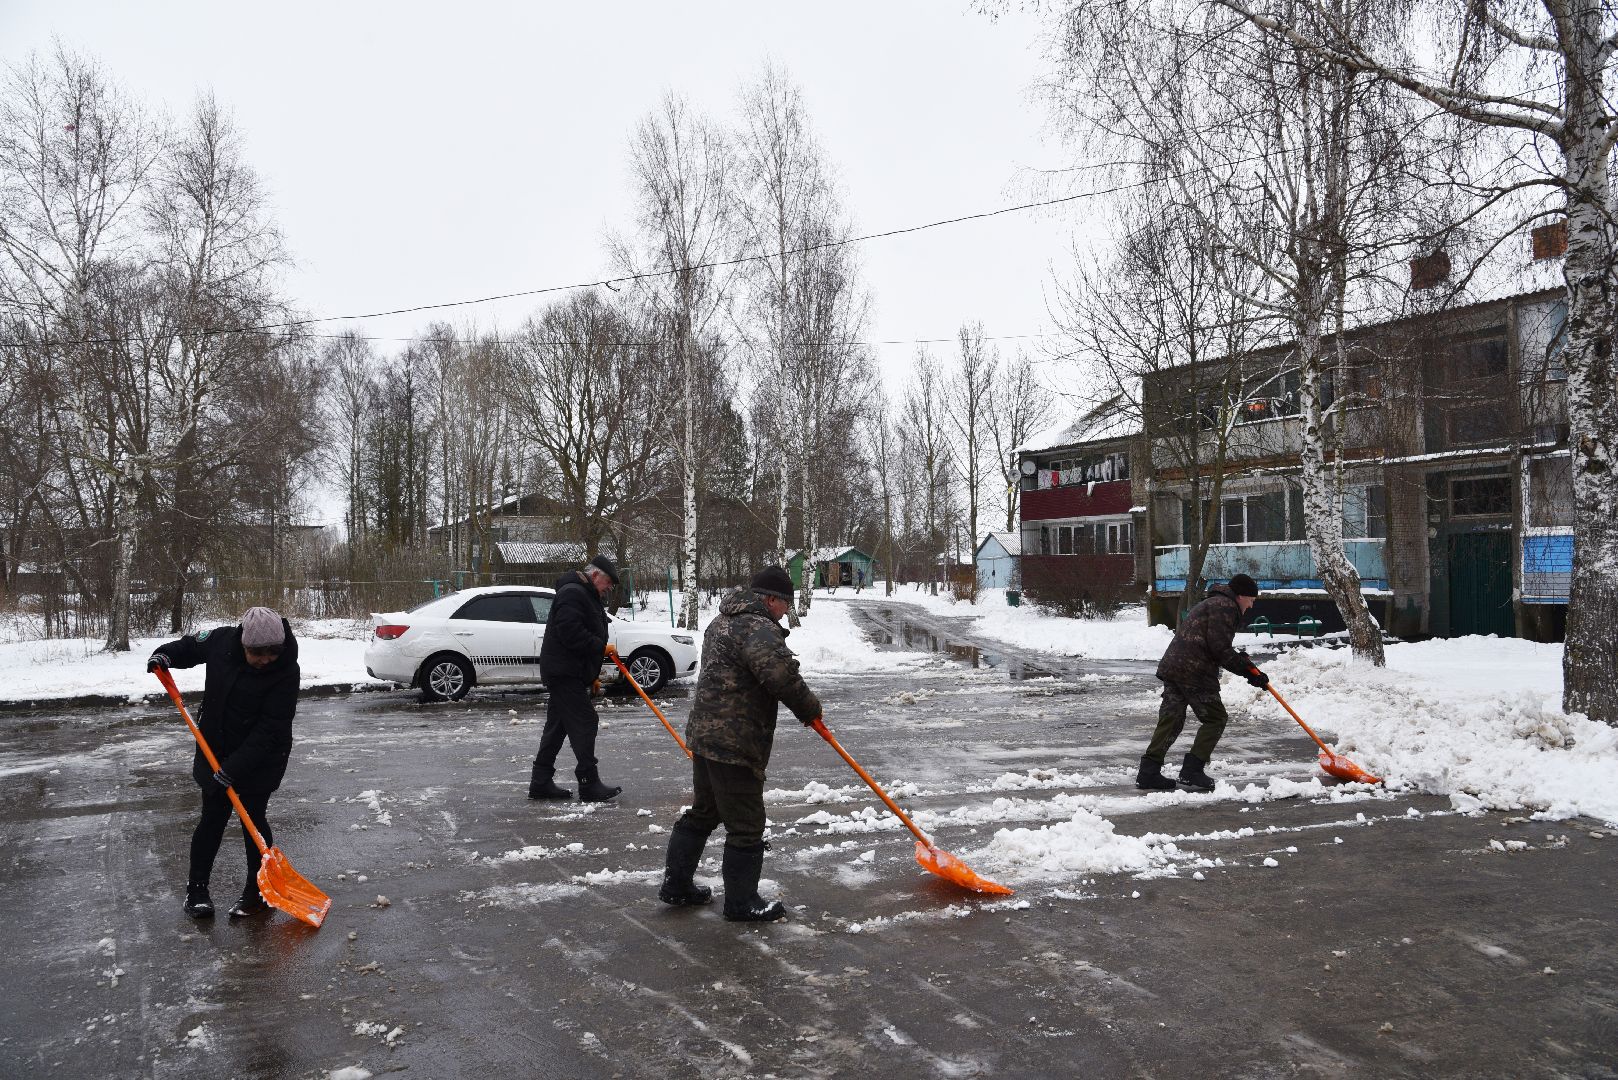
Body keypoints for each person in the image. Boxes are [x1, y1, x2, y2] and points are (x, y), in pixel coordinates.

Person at [659, 565, 822, 922]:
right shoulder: (758, 627)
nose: (785, 612)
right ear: (771, 599)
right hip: (734, 740)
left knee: (705, 811)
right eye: (784, 604)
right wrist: (810, 710)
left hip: (705, 734)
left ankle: (677, 885)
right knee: (746, 825)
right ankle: (741, 902)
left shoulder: (721, 621)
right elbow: (780, 677)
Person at [147, 606, 299, 919]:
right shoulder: (220, 641)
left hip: (261, 758)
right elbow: (189, 647)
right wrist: (164, 655)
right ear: (243, 643)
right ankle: (197, 890)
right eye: (258, 653)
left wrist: (232, 771)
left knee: (252, 820)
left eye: (273, 653)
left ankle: (256, 893)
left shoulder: (286, 670)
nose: (266, 659)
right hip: (214, 748)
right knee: (212, 820)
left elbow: (271, 729)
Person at [1137, 573, 1268, 793]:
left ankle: (1148, 772)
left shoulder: (1211, 603)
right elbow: (1219, 648)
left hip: (1174, 667)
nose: (1251, 606)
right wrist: (1248, 673)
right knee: (1215, 718)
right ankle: (1192, 771)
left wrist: (1245, 665)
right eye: (1251, 600)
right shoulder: (1226, 606)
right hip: (1195, 671)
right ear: (1242, 596)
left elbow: (1214, 643)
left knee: (1172, 718)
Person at [529, 554, 622, 802]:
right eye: (608, 584)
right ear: (594, 576)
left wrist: (590, 674)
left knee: (557, 727)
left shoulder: (585, 593)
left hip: (570, 671)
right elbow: (570, 632)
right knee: (586, 721)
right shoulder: (573, 593)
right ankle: (589, 783)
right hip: (564, 672)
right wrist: (599, 648)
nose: (608, 590)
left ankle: (540, 781)